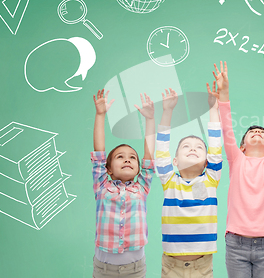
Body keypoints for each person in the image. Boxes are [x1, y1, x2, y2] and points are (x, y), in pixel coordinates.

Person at [211, 61, 264, 277]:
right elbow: (226, 127)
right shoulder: (236, 159)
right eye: (252, 132)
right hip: (236, 242)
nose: (257, 132)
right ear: (241, 146)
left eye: (262, 132)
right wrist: (224, 92)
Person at [155, 87, 222, 278]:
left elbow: (216, 148)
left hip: (202, 265)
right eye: (186, 146)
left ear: (207, 161)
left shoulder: (210, 179)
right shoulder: (169, 181)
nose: (192, 149)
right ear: (174, 161)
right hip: (171, 266)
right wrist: (167, 112)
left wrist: (213, 110)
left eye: (199, 147)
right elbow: (161, 151)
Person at [91, 89, 155, 278]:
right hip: (104, 269)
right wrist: (100, 115)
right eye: (120, 157)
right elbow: (98, 153)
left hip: (135, 269)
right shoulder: (102, 185)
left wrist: (150, 121)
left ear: (138, 168)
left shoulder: (141, 187)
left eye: (132, 158)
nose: (127, 160)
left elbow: (149, 158)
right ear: (108, 168)